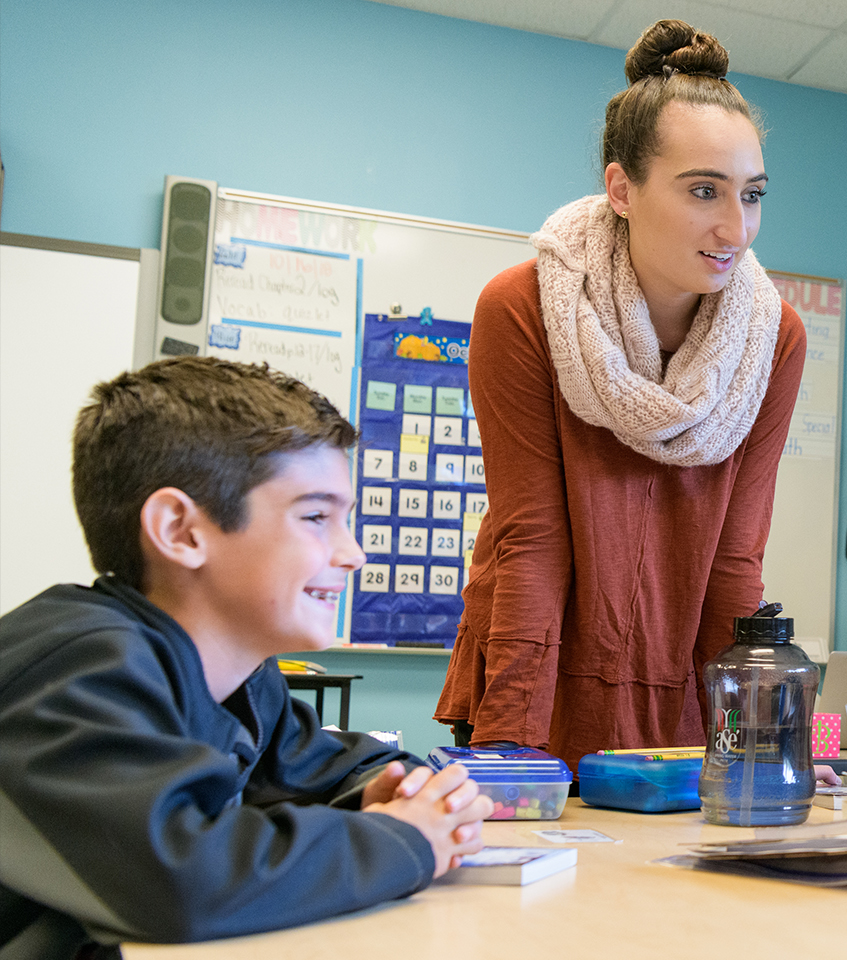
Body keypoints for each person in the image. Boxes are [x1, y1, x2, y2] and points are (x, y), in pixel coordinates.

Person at [0, 357, 494, 956]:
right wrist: (404, 839)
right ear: (181, 531)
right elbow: (181, 879)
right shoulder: (75, 669)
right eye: (316, 517)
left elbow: (321, 770)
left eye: (348, 520)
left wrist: (390, 789)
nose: (353, 553)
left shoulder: (241, 678)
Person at [435, 19, 806, 770]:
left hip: (678, 683)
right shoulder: (524, 307)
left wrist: (751, 747)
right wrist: (511, 744)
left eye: (753, 194)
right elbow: (531, 541)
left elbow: (737, 560)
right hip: (539, 668)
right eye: (704, 190)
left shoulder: (776, 338)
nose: (737, 227)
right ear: (621, 188)